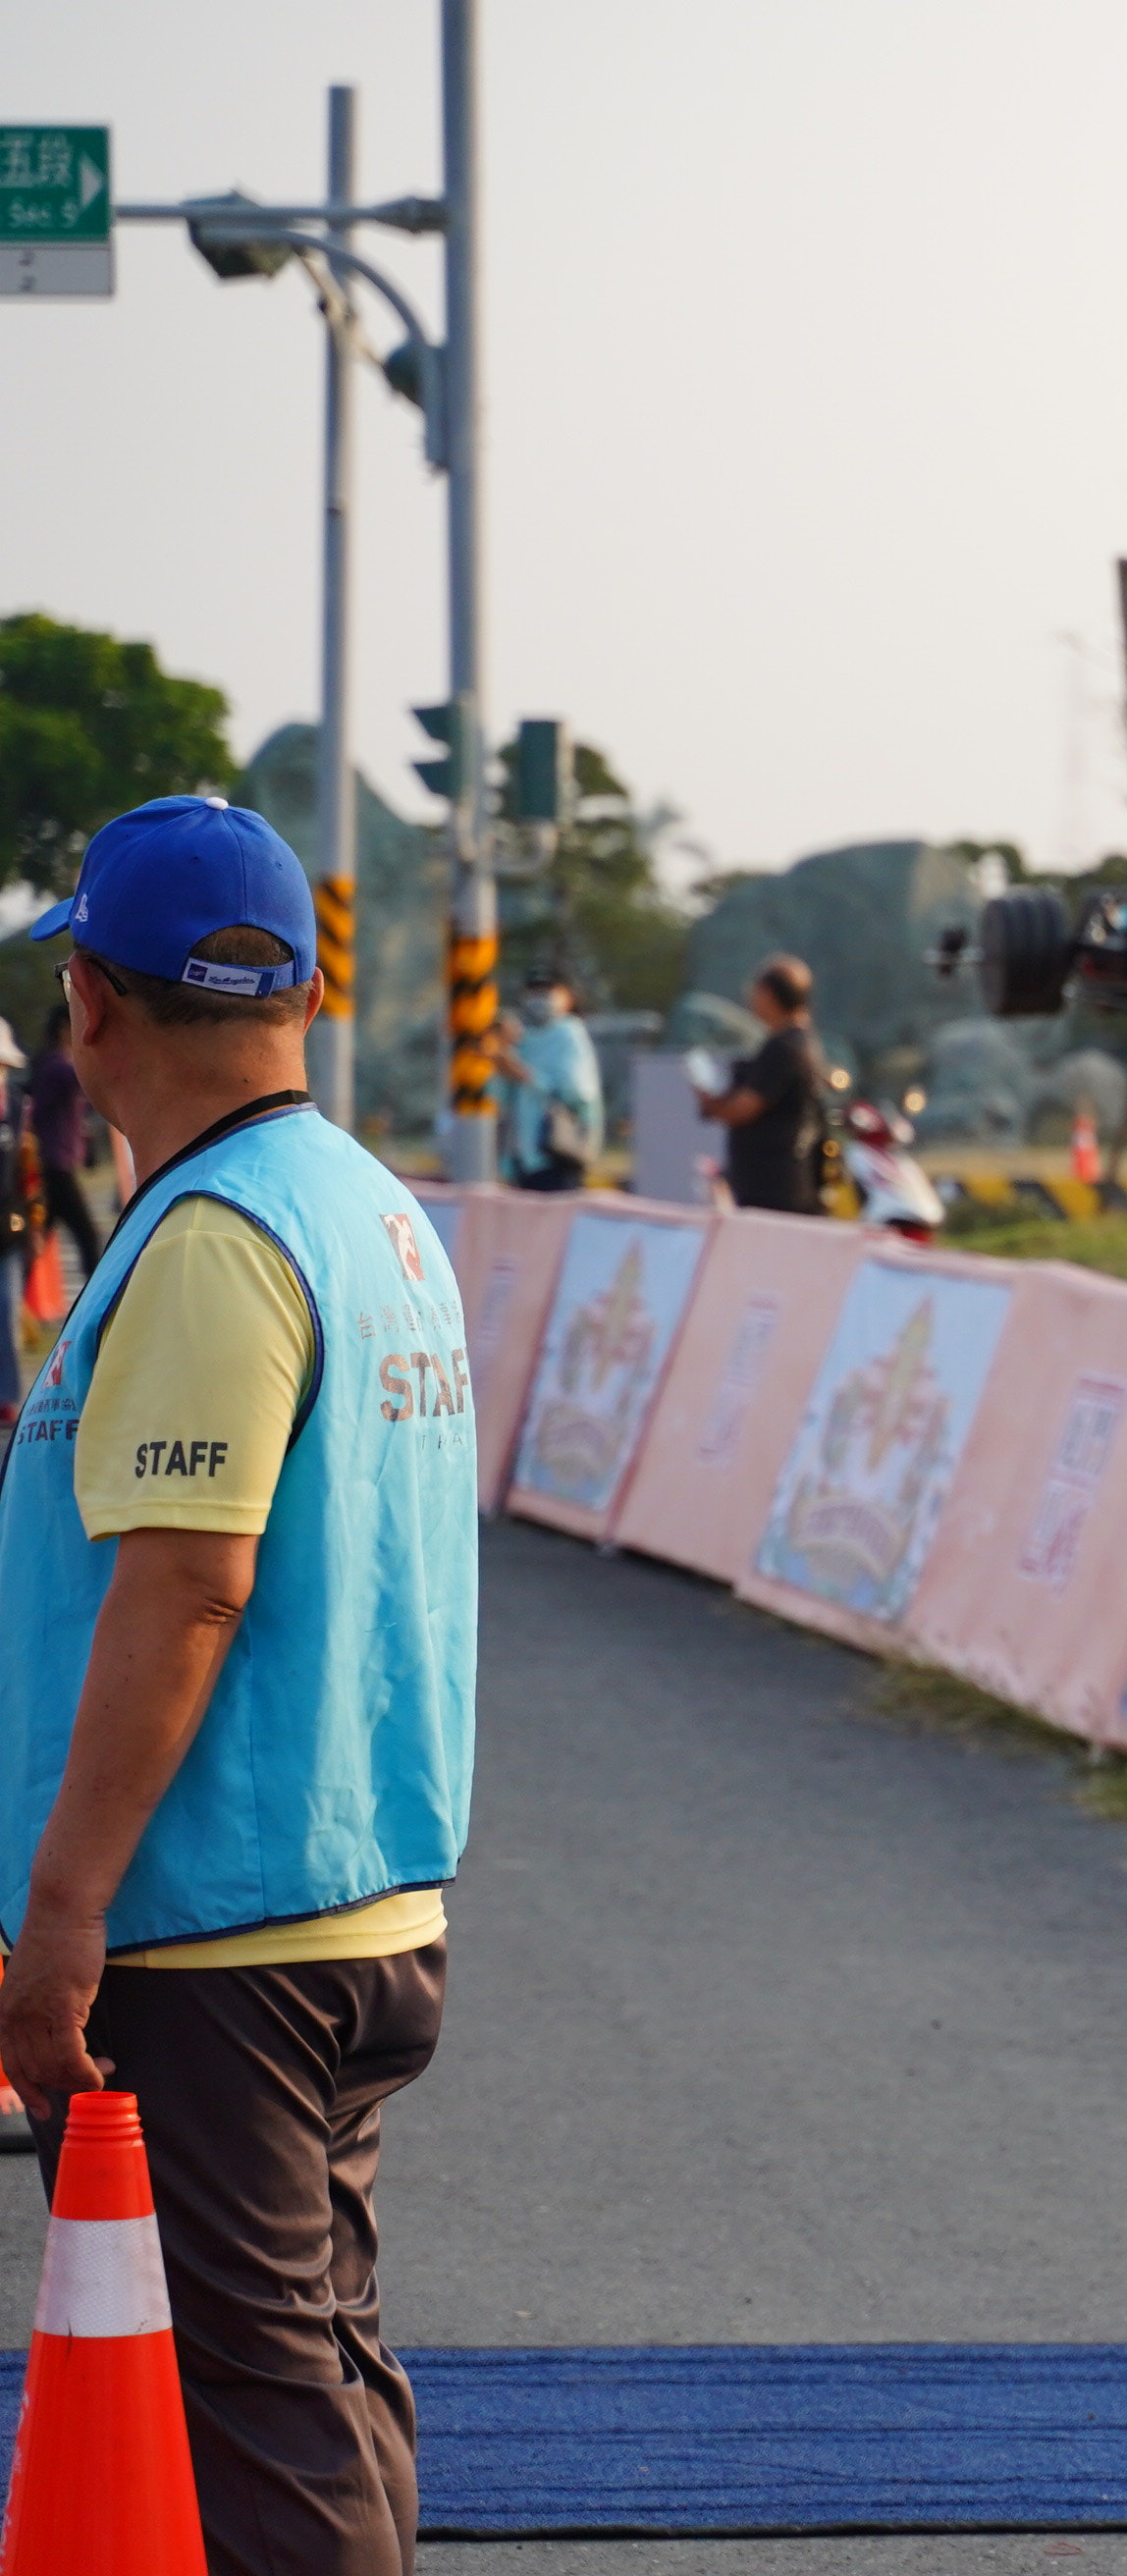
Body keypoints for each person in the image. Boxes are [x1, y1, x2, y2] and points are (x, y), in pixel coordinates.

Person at [0, 794, 477, 2574]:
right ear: (304, 995)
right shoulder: (365, 1205)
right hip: (349, 1902)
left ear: (90, 999)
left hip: (217, 1934)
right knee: (317, 2365)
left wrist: (61, 1914)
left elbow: (189, 1586)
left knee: (255, 2410)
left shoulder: (213, 1235)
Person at [698, 953, 830, 1215]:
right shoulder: (802, 1043)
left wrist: (709, 1100)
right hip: (785, 1183)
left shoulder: (784, 1048)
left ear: (768, 994)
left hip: (773, 1188)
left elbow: (745, 1108)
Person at [495, 969, 602, 1193]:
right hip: (521, 1159)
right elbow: (500, 1097)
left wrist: (526, 1076)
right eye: (533, 993)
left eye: (546, 993)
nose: (539, 1000)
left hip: (557, 1155)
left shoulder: (570, 1034)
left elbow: (576, 1093)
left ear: (567, 997)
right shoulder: (522, 1036)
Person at [27, 993, 103, 1279]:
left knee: (36, 1240)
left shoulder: (51, 1065)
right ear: (63, 1028)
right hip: (55, 1163)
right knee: (87, 1236)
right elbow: (90, 1081)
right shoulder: (58, 1068)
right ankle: (100, 1298)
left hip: (54, 1162)